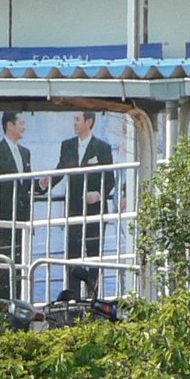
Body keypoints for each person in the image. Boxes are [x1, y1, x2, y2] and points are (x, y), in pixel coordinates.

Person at [55, 111, 118, 299]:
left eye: (77, 119)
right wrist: (43, 184)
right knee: (73, 254)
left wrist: (99, 194)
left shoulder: (102, 148)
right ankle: (73, 296)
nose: (74, 123)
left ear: (89, 122)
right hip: (74, 209)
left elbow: (110, 179)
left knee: (94, 254)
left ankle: (93, 296)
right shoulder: (67, 146)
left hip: (95, 211)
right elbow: (60, 169)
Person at [0, 111, 36, 303]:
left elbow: (26, 185)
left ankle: (19, 304)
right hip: (3, 216)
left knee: (21, 263)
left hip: (21, 218)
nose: (24, 127)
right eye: (21, 122)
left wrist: (43, 185)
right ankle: (3, 305)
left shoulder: (25, 152)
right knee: (4, 264)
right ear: (9, 125)